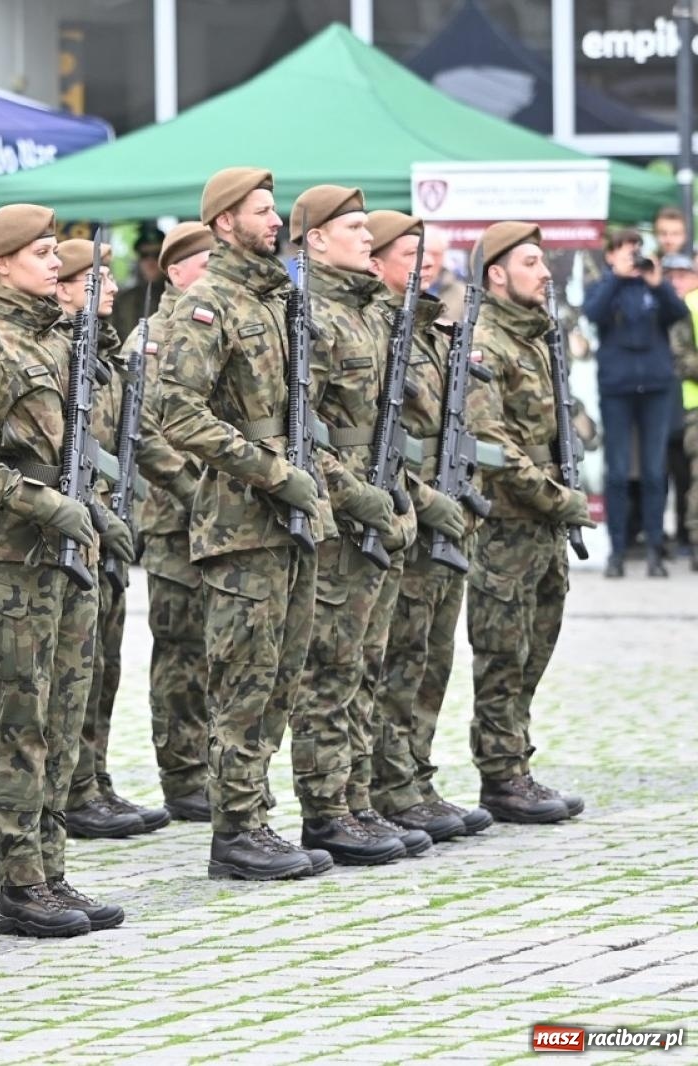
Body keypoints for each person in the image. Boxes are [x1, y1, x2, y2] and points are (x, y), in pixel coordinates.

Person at [155, 168, 333, 881]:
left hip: (293, 513)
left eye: (275, 209)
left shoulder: (279, 300)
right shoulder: (209, 306)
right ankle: (235, 829)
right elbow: (176, 412)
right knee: (243, 680)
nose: (274, 220)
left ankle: (256, 813)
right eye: (261, 211)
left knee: (282, 676)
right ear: (224, 222)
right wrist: (266, 470)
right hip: (241, 521)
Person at [0, 203, 119, 938]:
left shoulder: (55, 341)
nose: (57, 263)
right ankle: (21, 886)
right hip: (13, 563)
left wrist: (92, 509)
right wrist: (42, 503)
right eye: (43, 252)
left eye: (57, 253)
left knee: (60, 721)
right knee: (19, 727)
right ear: (2, 264)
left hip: (65, 562)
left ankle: (51, 870)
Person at [281, 185, 422, 867]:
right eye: (354, 227)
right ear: (315, 239)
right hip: (342, 520)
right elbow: (302, 431)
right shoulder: (310, 315)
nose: (366, 237)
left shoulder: (368, 313)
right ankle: (326, 808)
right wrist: (353, 495)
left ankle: (358, 796)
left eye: (369, 226)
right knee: (330, 669)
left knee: (367, 663)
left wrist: (402, 493)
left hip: (380, 504)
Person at [364, 210, 488, 843]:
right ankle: (387, 782)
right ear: (376, 260)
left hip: (443, 512)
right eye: (410, 253)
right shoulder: (381, 331)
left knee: (433, 655)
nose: (426, 263)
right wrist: (417, 498)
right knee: (397, 655)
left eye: (431, 252)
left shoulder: (434, 330)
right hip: (402, 515)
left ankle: (414, 772)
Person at [466, 221, 593, 824]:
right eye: (532, 263)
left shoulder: (540, 337)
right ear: (497, 273)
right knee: (502, 652)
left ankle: (517, 761)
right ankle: (501, 775)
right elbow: (488, 440)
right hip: (507, 523)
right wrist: (554, 496)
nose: (546, 273)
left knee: (536, 646)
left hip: (544, 521)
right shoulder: (484, 342)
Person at [56, 238, 160, 841]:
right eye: (95, 277)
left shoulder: (105, 356)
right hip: (70, 528)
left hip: (106, 528)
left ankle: (90, 778)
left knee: (101, 666)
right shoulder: (63, 353)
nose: (111, 286)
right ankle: (69, 790)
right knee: (68, 673)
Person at [129, 221, 215, 824]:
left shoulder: (222, 330)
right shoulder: (151, 339)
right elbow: (143, 429)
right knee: (181, 648)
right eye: (204, 264)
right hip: (174, 517)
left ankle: (217, 767)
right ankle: (182, 775)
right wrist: (191, 487)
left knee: (225, 650)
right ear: (177, 271)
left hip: (231, 519)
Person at [582, 228, 683, 577]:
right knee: (619, 472)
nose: (632, 257)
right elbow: (592, 314)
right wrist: (616, 279)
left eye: (636, 251)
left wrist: (659, 283)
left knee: (655, 471)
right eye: (625, 251)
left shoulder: (653, 286)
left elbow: (677, 313)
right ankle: (617, 551)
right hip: (617, 388)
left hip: (655, 387)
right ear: (610, 255)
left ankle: (655, 550)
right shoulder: (602, 287)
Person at [665, 253, 698, 570]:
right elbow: (682, 359)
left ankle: (690, 540)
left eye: (682, 275)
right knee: (677, 476)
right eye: (670, 276)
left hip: (688, 407)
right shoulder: (675, 309)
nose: (676, 283)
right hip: (680, 407)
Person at [111, 221, 163, 344]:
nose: (150, 261)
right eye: (145, 255)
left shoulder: (177, 298)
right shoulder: (122, 301)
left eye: (156, 255)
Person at [422, 225, 466, 324]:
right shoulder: (404, 287)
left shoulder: (461, 293)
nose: (430, 260)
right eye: (426, 253)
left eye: (436, 254)